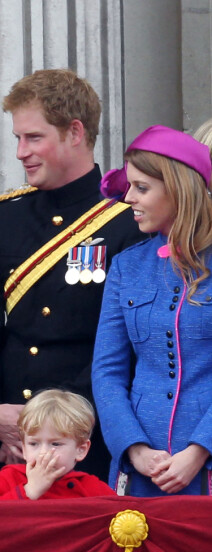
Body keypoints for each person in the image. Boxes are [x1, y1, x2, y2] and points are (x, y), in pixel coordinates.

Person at [0, 68, 146, 499]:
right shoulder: (2, 218)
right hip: (7, 451)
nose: (21, 152)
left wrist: (48, 430)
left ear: (74, 132)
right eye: (18, 139)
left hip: (84, 445)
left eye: (33, 138)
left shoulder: (128, 219)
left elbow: (126, 346)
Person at [93, 125, 212, 497]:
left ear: (178, 190)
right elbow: (107, 371)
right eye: (129, 186)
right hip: (142, 471)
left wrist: (199, 450)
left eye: (141, 188)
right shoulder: (127, 266)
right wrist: (134, 447)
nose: (128, 198)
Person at [0, 389, 115, 500]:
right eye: (33, 444)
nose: (43, 452)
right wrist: (29, 491)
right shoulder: (9, 478)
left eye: (55, 444)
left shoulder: (92, 488)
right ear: (24, 449)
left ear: (81, 450)